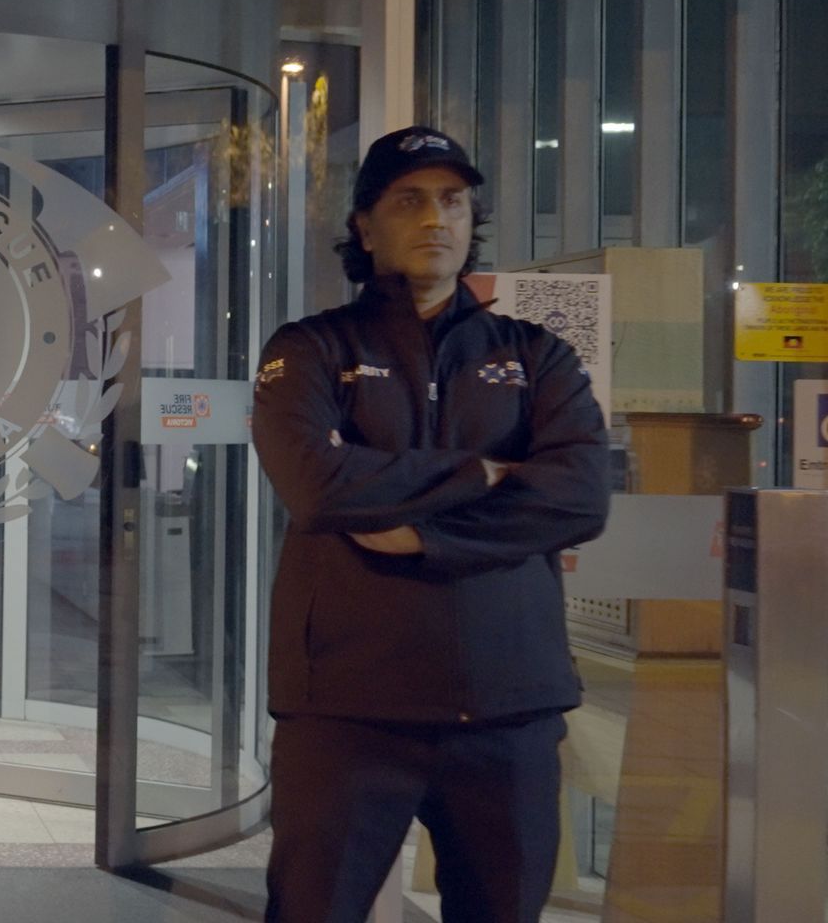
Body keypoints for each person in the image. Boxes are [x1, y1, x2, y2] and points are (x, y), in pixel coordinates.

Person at [250, 126, 611, 922]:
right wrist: (482, 471)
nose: (435, 218)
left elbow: (582, 495)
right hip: (347, 710)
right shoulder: (310, 349)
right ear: (365, 226)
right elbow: (316, 483)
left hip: (510, 711)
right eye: (409, 200)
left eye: (452, 200)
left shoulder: (537, 356)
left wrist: (424, 532)